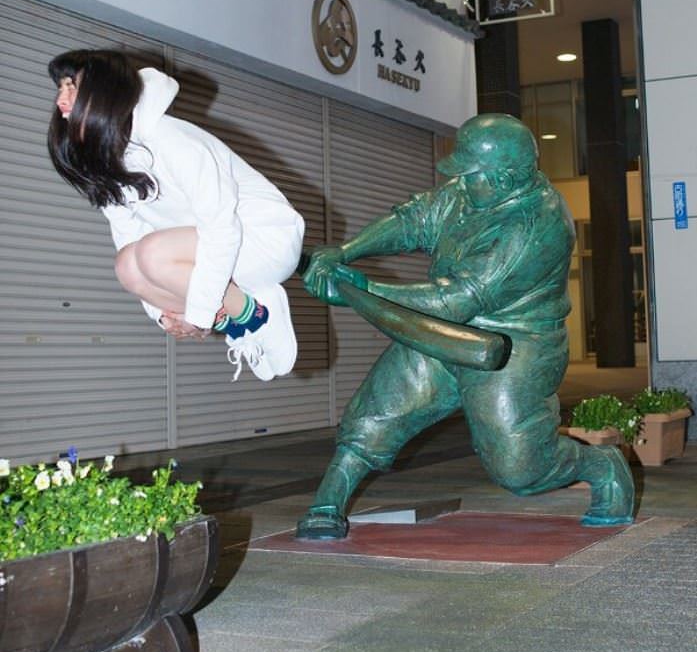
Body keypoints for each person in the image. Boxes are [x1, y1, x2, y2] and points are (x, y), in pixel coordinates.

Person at [297, 113, 634, 539]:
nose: (459, 181)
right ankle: (328, 502)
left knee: (520, 468)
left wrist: (361, 291)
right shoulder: (467, 192)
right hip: (442, 331)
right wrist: (345, 253)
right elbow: (415, 220)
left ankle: (601, 464)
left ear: (504, 179)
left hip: (513, 344)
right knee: (377, 412)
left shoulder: (535, 226)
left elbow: (456, 299)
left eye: (470, 174)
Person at [47, 49, 304, 381]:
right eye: (60, 87)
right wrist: (165, 315)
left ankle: (257, 315)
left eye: (72, 86)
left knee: (151, 254)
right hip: (213, 254)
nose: (61, 100)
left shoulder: (169, 139)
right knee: (126, 266)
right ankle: (236, 320)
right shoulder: (110, 164)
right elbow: (127, 239)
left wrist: (198, 314)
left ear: (105, 92)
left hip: (265, 239)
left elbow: (221, 229)